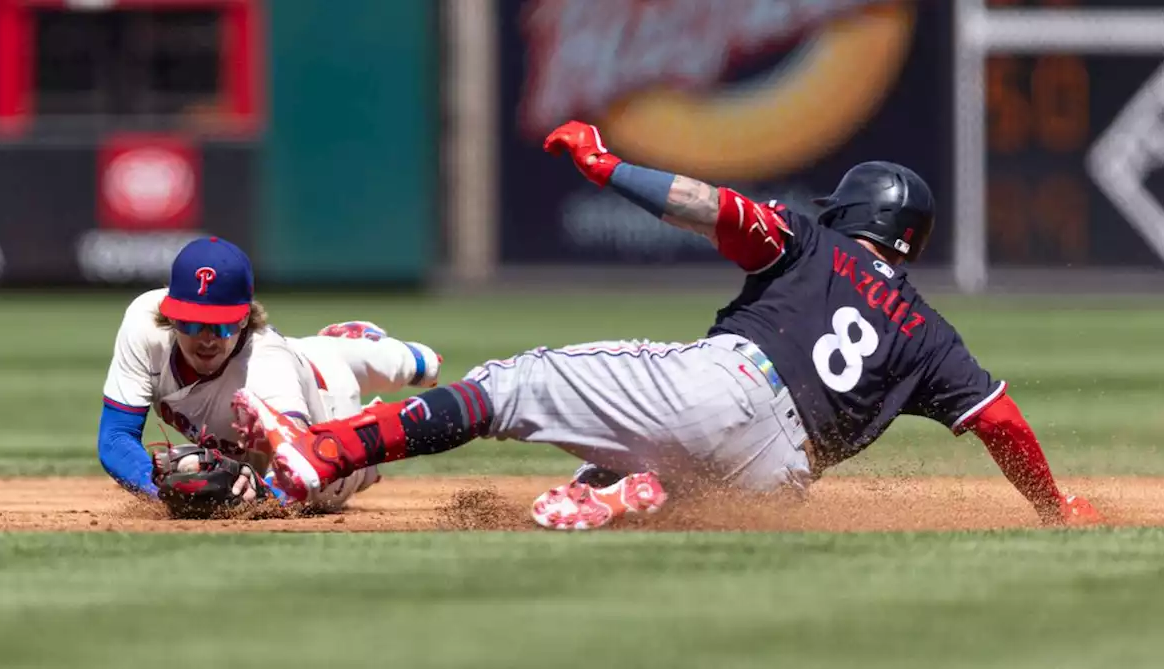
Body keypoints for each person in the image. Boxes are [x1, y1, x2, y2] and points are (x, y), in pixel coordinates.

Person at [229, 121, 1103, 531]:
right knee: (663, 461)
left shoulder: (816, 244)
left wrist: (608, 166)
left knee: (515, 382)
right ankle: (628, 494)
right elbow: (999, 419)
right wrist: (1052, 504)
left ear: (856, 215)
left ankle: (327, 452)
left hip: (729, 386)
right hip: (778, 475)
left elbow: (709, 205)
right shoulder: (929, 330)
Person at [96, 236, 442, 518]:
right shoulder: (143, 323)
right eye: (190, 321)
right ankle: (338, 344)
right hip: (299, 362)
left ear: (246, 317)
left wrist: (260, 496)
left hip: (328, 412)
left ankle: (373, 347)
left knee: (420, 367)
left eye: (220, 323)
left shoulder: (267, 364)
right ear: (169, 315)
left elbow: (303, 469)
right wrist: (163, 492)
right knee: (308, 355)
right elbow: (114, 438)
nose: (206, 337)